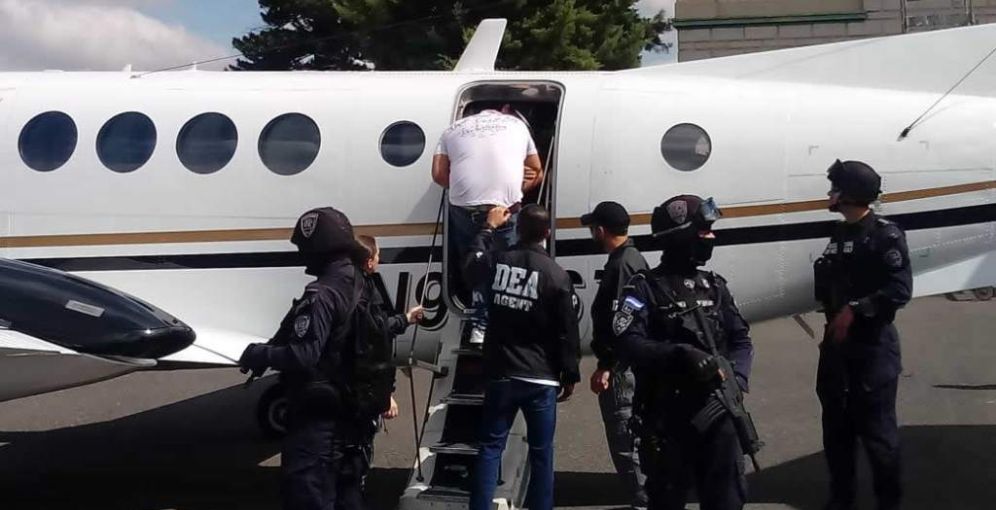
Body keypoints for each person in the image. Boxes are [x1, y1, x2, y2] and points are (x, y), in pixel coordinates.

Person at [614, 195, 754, 510]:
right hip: (667, 418)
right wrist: (680, 354)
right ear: (682, 236)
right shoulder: (645, 287)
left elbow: (741, 340)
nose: (711, 237)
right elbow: (627, 340)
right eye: (704, 231)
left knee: (727, 500)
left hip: (719, 413)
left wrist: (737, 379)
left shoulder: (714, 286)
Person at [237, 207, 367, 510]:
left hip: (318, 422)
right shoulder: (362, 284)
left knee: (308, 496)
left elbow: (303, 355)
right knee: (347, 498)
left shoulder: (322, 294)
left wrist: (258, 353)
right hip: (353, 417)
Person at [463, 204, 581, 510]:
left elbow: (471, 266)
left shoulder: (498, 261)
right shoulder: (556, 275)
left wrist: (487, 229)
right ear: (547, 233)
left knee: (490, 447)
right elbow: (567, 331)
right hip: (541, 377)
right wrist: (570, 374)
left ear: (517, 229)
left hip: (502, 371)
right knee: (542, 452)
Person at [814, 160, 911, 510]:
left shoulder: (886, 236)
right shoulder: (840, 234)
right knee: (836, 433)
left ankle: (888, 503)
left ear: (850, 194)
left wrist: (856, 309)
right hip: (837, 350)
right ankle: (841, 500)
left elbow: (900, 290)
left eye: (835, 188)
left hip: (872, 350)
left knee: (878, 437)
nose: (830, 194)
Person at [432, 104, 545, 343]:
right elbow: (537, 171)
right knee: (508, 266)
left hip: (465, 210)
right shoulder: (517, 126)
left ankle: (479, 326)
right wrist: (516, 190)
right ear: (503, 112)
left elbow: (439, 175)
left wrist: (466, 186)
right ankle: (510, 323)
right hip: (504, 209)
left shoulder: (452, 129)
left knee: (476, 264)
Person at [581, 201, 650, 509]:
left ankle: (644, 500)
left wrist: (608, 365)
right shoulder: (632, 258)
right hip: (633, 361)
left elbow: (621, 322)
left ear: (601, 230)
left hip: (623, 367)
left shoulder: (621, 266)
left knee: (625, 436)